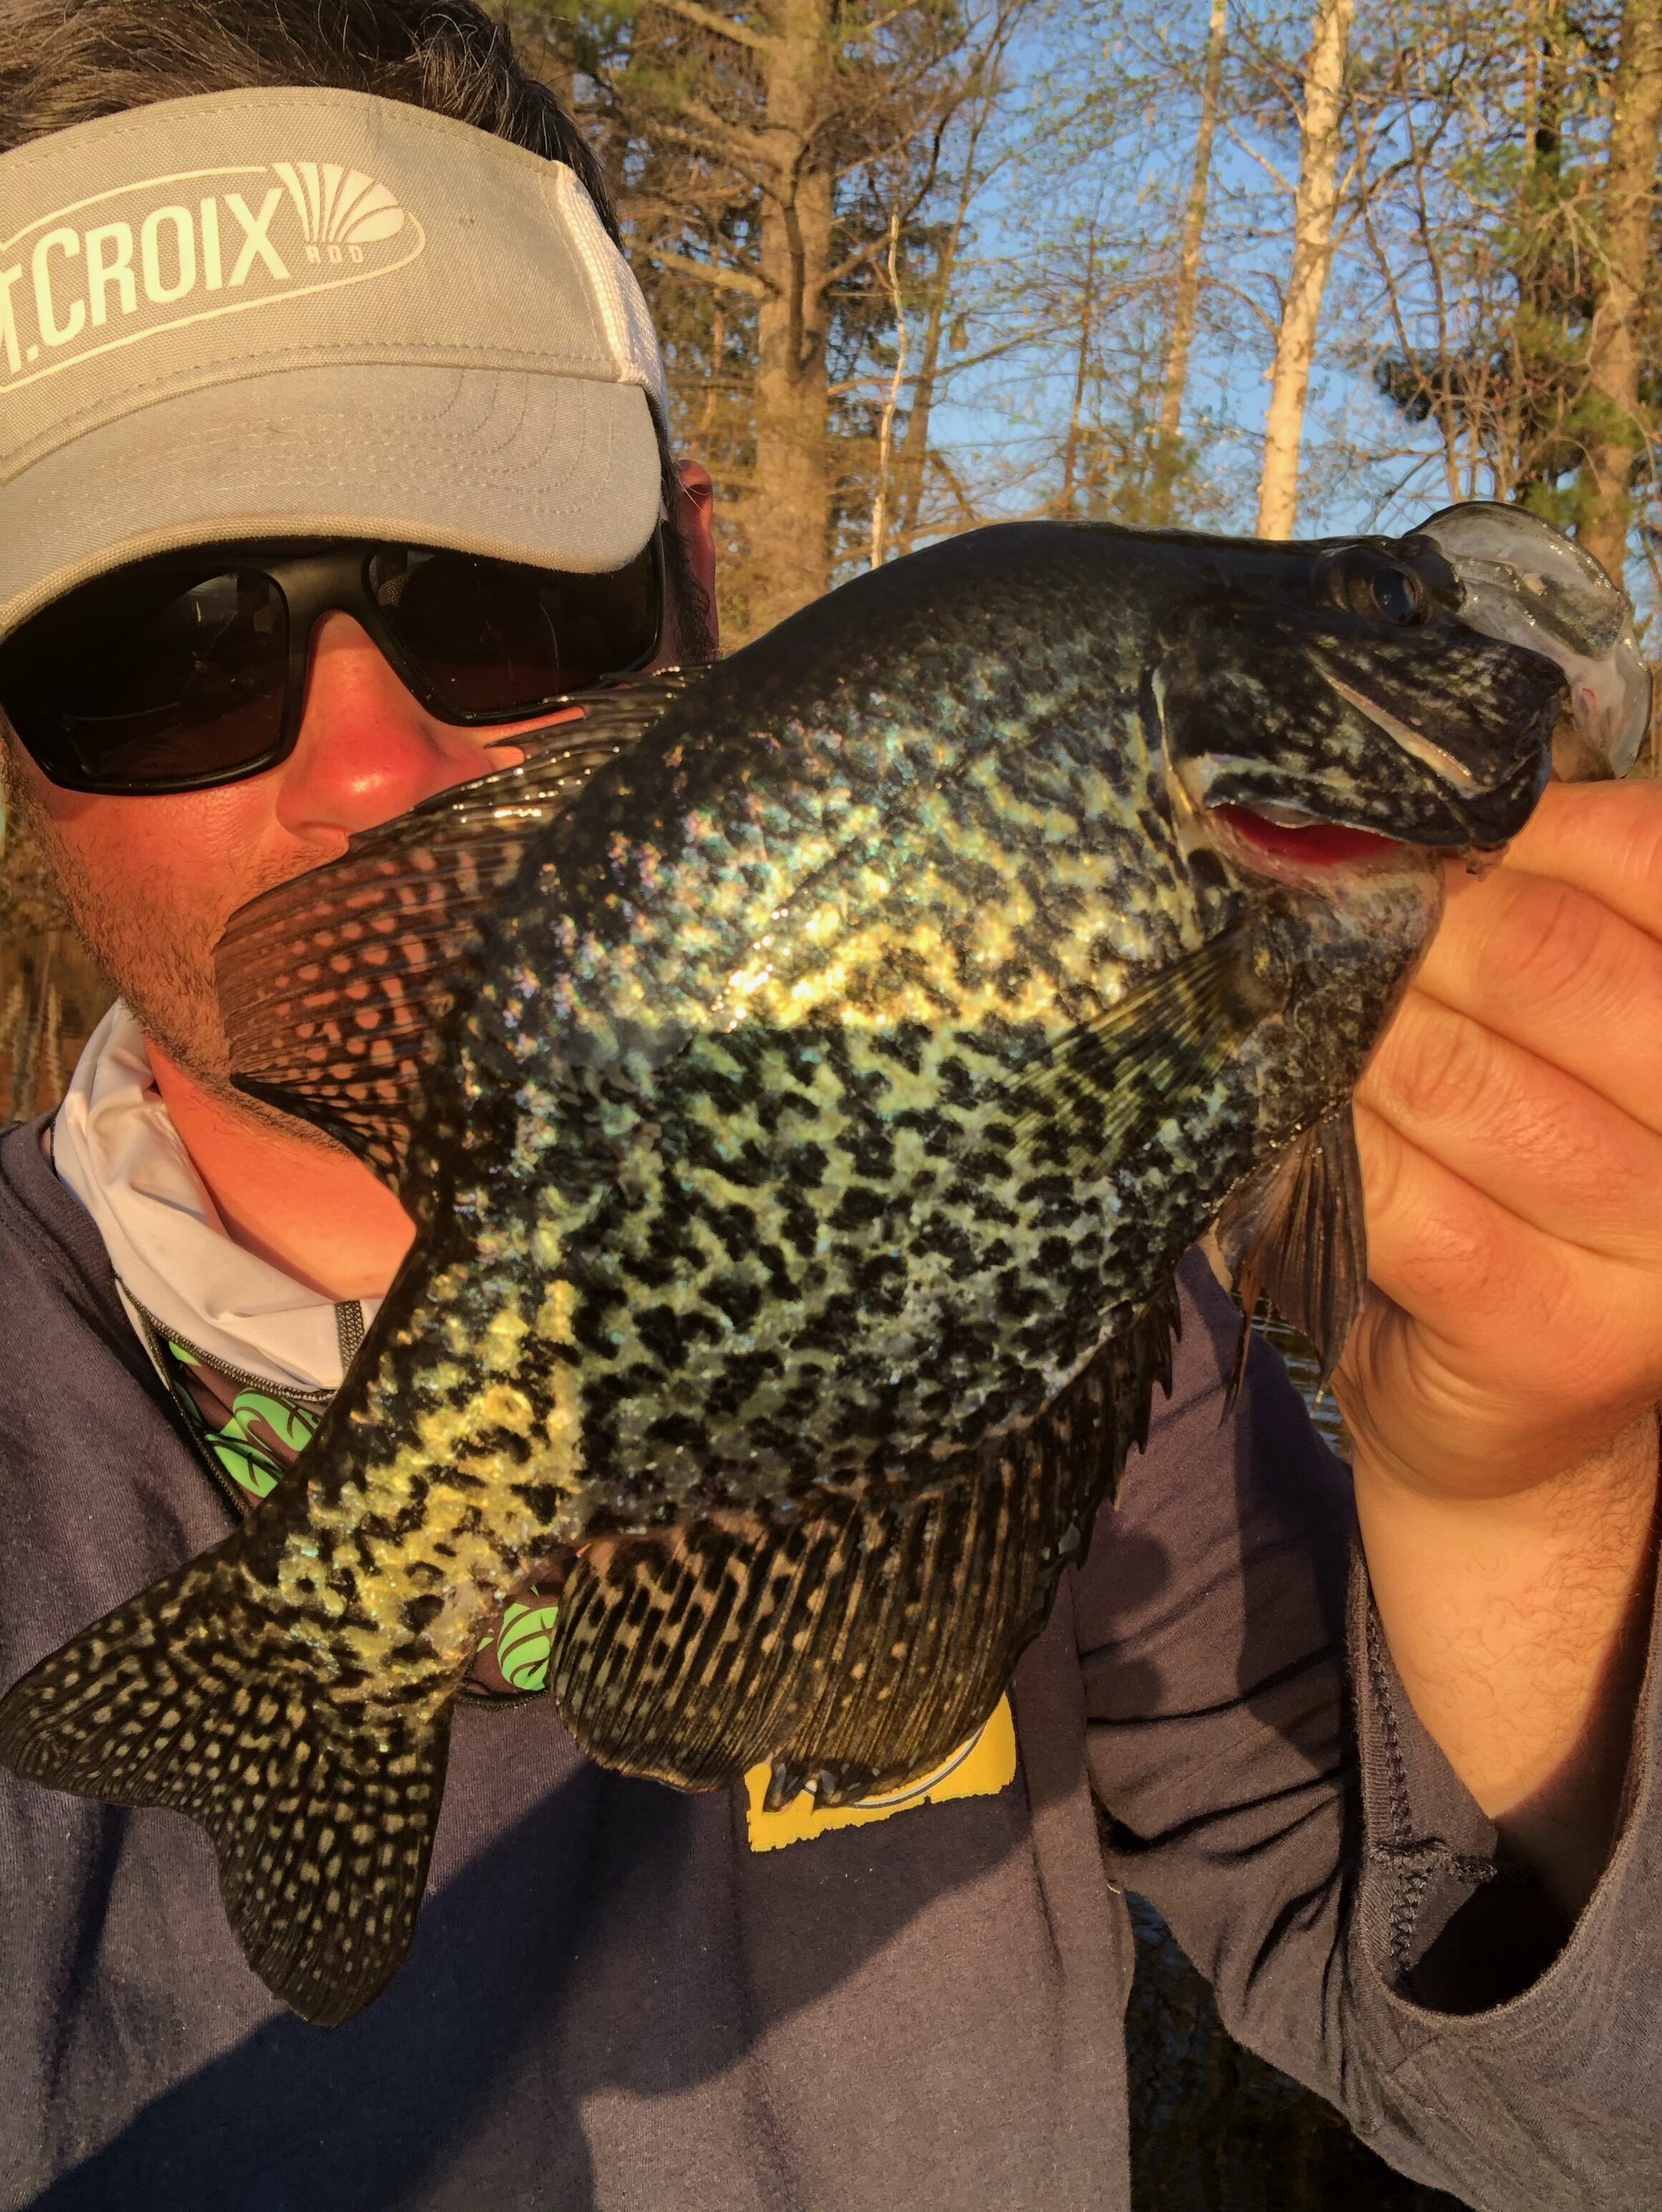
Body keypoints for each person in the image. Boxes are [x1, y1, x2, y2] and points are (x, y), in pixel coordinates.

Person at [0, 4, 1658, 2208]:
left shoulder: (1076, 1310)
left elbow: (1571, 2129)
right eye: (163, 638)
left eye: (496, 595)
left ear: (696, 577)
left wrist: (1531, 1491)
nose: (373, 766)